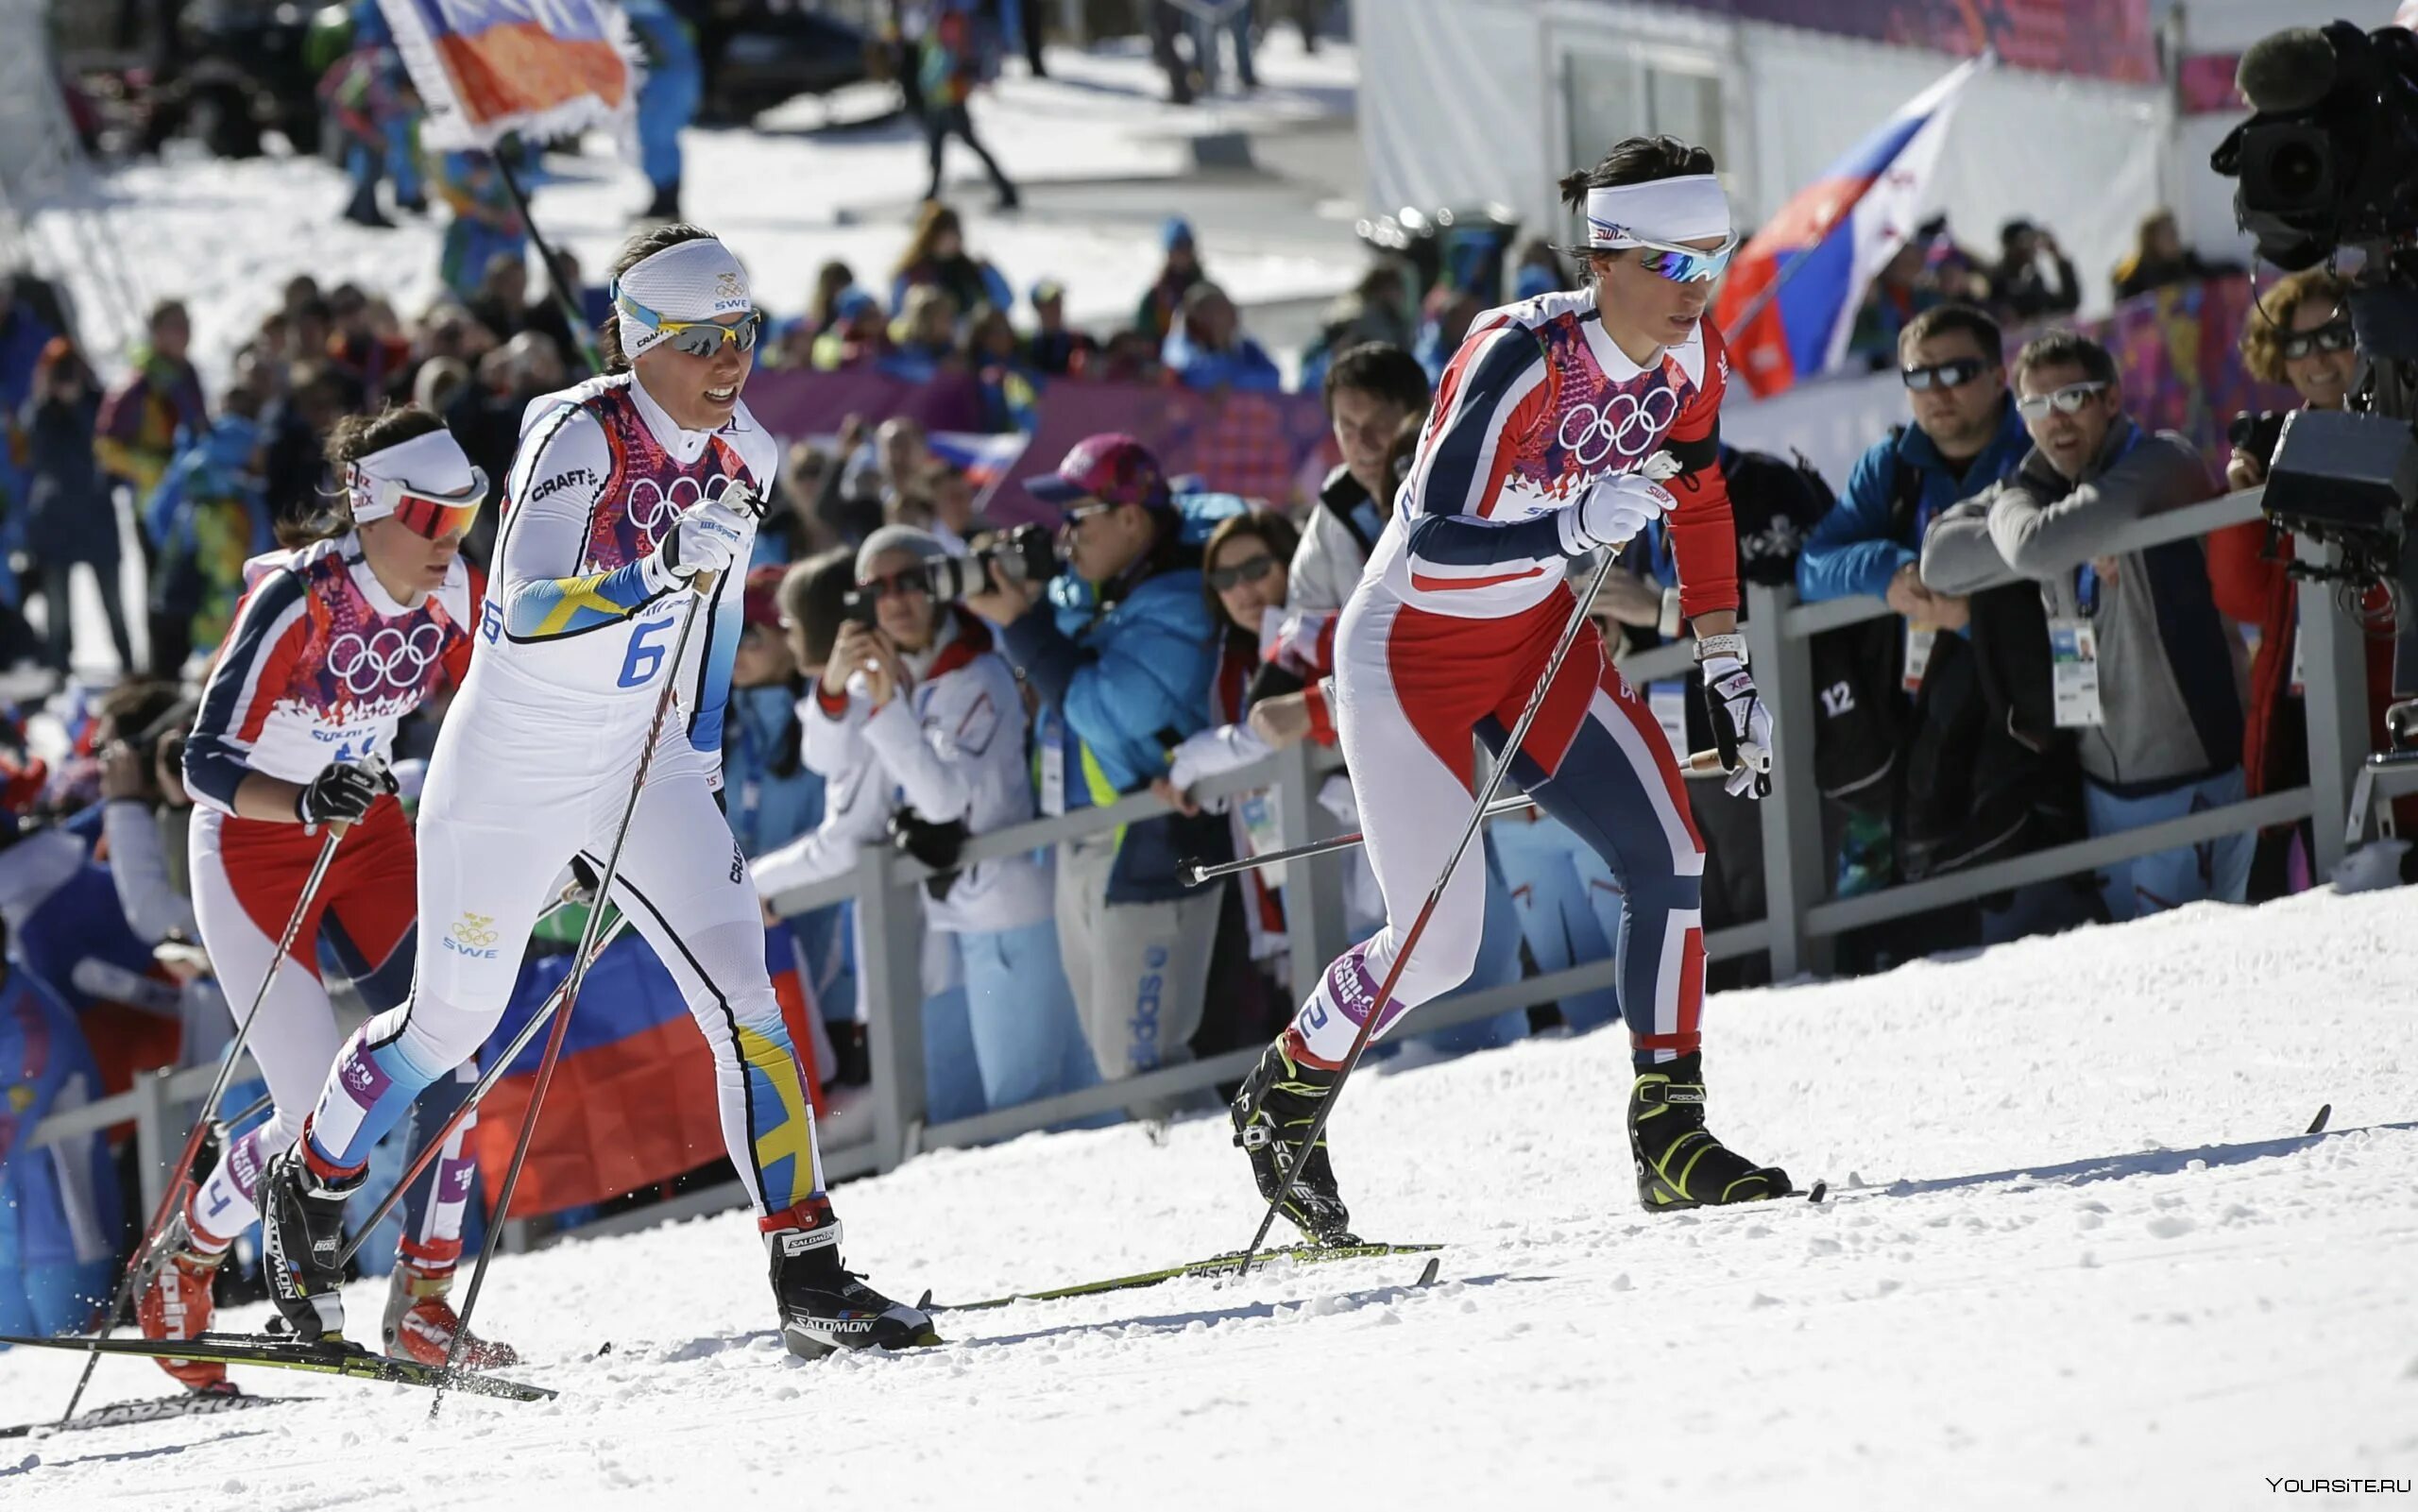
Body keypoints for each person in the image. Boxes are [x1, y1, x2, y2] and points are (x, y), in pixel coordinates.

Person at [260, 223, 935, 1359]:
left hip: (642, 759)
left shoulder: (749, 451)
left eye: (746, 335)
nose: (732, 362)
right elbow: (524, 606)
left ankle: (808, 1265)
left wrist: (702, 744)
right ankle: (311, 1179)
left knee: (748, 1006)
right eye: (705, 341)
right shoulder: (577, 429)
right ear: (640, 342)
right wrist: (657, 565)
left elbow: (717, 620)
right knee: (449, 1026)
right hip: (514, 770)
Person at [1223, 134, 1793, 1243]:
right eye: (1675, 263)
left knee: (1670, 852)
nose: (1699, 290)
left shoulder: (1692, 361)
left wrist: (1724, 660)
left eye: (1713, 257)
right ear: (1608, 257)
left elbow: (1705, 500)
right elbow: (1430, 537)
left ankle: (1669, 1135)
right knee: (1440, 946)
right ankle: (1284, 1091)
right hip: (1406, 657)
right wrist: (1568, 524)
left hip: (1533, 635)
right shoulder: (1517, 355)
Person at [140, 404, 507, 1387]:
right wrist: (301, 796)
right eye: (429, 518)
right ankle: (191, 1248)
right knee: (314, 1110)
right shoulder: (299, 598)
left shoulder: (457, 591)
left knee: (452, 1051)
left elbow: (504, 714)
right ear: (372, 506)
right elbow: (200, 759)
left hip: (369, 835)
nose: (449, 542)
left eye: (463, 518)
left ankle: (425, 1303)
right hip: (254, 846)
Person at [1919, 330, 2249, 921]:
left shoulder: (2160, 462)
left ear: (2112, 400)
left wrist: (2023, 520)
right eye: (2036, 406)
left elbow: (2038, 548)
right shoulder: (2041, 492)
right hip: (2101, 790)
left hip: (2194, 783)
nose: (2056, 420)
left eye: (2072, 398)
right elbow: (1938, 561)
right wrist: (2054, 530)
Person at [963, 433, 1242, 1115]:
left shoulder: (1181, 601)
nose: (1068, 536)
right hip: (1086, 841)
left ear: (1130, 518)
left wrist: (1024, 625)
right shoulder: (1097, 592)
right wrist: (1024, 591)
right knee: (1119, 1063)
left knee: (1144, 1062)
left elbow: (1103, 710)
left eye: (1080, 517)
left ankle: (1234, 1175)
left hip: (1153, 841)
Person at [770, 525, 1093, 1113]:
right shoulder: (903, 669)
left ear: (942, 587)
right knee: (983, 1108)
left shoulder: (978, 674)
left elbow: (943, 801)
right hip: (955, 920)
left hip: (1006, 912)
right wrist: (836, 691)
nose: (895, 601)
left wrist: (885, 704)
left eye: (912, 583)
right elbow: (827, 759)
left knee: (1027, 1100)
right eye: (879, 588)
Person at [2210, 268, 2394, 894]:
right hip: (2301, 728)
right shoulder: (2278, 445)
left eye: (2335, 335)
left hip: (2393, 720)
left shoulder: (2403, 428)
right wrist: (2243, 507)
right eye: (2297, 344)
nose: (2316, 357)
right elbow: (2243, 598)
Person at [20, 338, 136, 676]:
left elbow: (110, 455)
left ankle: (128, 665)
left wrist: (80, 407)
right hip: (56, 522)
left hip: (96, 517)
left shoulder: (101, 407)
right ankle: (58, 668)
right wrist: (50, 399)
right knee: (57, 609)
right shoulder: (40, 413)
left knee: (114, 604)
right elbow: (40, 460)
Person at [1294, 343, 1430, 614]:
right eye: (1348, 428)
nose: (1363, 443)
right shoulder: (1337, 501)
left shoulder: (1458, 494)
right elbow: (1304, 610)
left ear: (1420, 418)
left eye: (1379, 424)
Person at [918, 7, 1018, 211]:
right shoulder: (934, 19)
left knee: (970, 143)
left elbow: (951, 57)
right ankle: (931, 195)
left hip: (952, 96)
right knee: (936, 148)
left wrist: (935, 77)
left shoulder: (953, 21)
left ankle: (1006, 189)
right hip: (938, 98)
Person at [624, 0, 703, 222]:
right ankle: (663, 202)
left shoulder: (643, 10)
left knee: (658, 138)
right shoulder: (661, 11)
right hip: (673, 77)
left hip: (665, 80)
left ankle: (666, 204)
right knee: (656, 139)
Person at [890, 202, 1013, 325]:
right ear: (930, 236)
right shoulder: (912, 274)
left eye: (956, 233)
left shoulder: (972, 269)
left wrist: (989, 273)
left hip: (969, 337)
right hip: (927, 339)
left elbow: (1005, 301)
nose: (953, 239)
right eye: (947, 234)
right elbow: (898, 317)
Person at [1161, 282, 1282, 394]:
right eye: (1207, 311)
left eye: (1220, 309)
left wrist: (1234, 384)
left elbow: (1272, 377)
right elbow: (1187, 375)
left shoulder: (1246, 348)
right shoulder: (1180, 345)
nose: (1216, 318)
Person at [2111, 210, 2239, 302]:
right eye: (2168, 234)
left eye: (2175, 233)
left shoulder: (2187, 265)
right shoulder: (2133, 278)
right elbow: (2125, 313)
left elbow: (2215, 273)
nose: (2175, 239)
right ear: (2152, 241)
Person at [1988, 219, 2080, 326]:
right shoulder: (1996, 280)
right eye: (2025, 241)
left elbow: (2068, 304)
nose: (2032, 248)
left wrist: (2057, 256)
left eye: (2033, 241)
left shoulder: (2034, 281)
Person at [1133, 218, 1204, 343]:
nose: (1184, 252)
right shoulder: (1155, 296)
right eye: (1178, 246)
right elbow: (1143, 332)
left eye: (1187, 245)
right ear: (1168, 252)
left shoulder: (1204, 289)